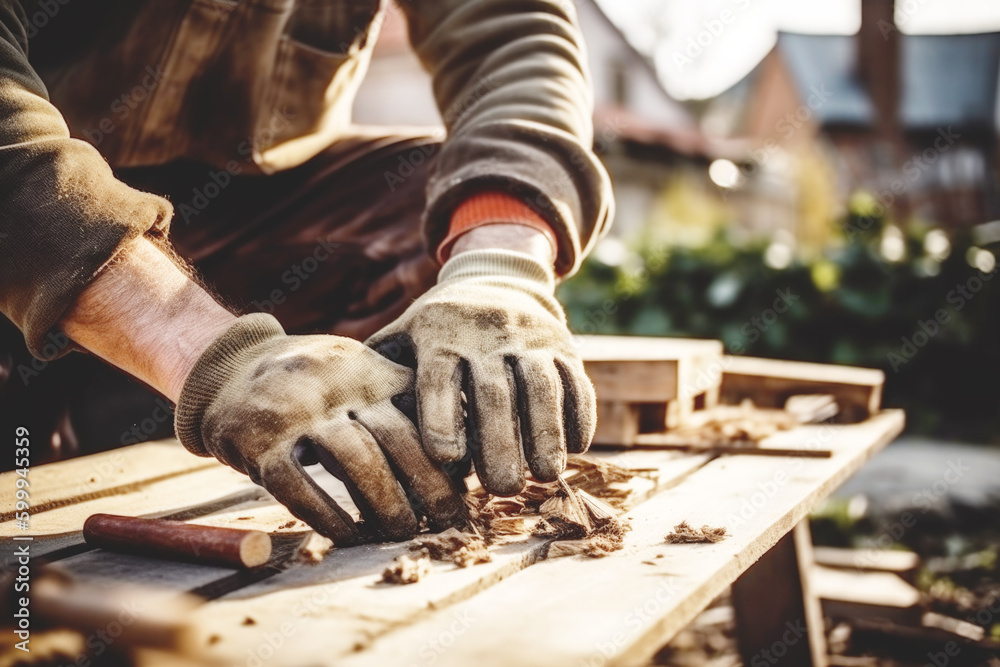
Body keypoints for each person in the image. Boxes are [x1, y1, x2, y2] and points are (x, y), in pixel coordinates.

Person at [0, 0, 613, 544]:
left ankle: (152, 420)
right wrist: (210, 356)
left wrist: (498, 267)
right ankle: (73, 405)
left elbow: (512, 34)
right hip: (28, 223)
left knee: (419, 196)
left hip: (247, 219)